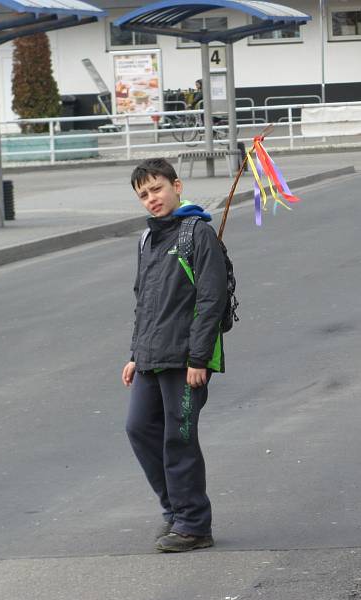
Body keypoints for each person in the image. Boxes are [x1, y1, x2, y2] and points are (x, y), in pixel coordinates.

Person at [122, 158, 227, 552]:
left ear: (177, 186)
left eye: (157, 189)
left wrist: (198, 359)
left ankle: (194, 525)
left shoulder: (196, 233)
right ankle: (176, 510)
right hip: (151, 356)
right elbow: (143, 301)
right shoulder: (147, 240)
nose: (152, 199)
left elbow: (210, 299)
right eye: (144, 194)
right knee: (138, 428)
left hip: (185, 359)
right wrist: (135, 353)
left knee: (178, 438)